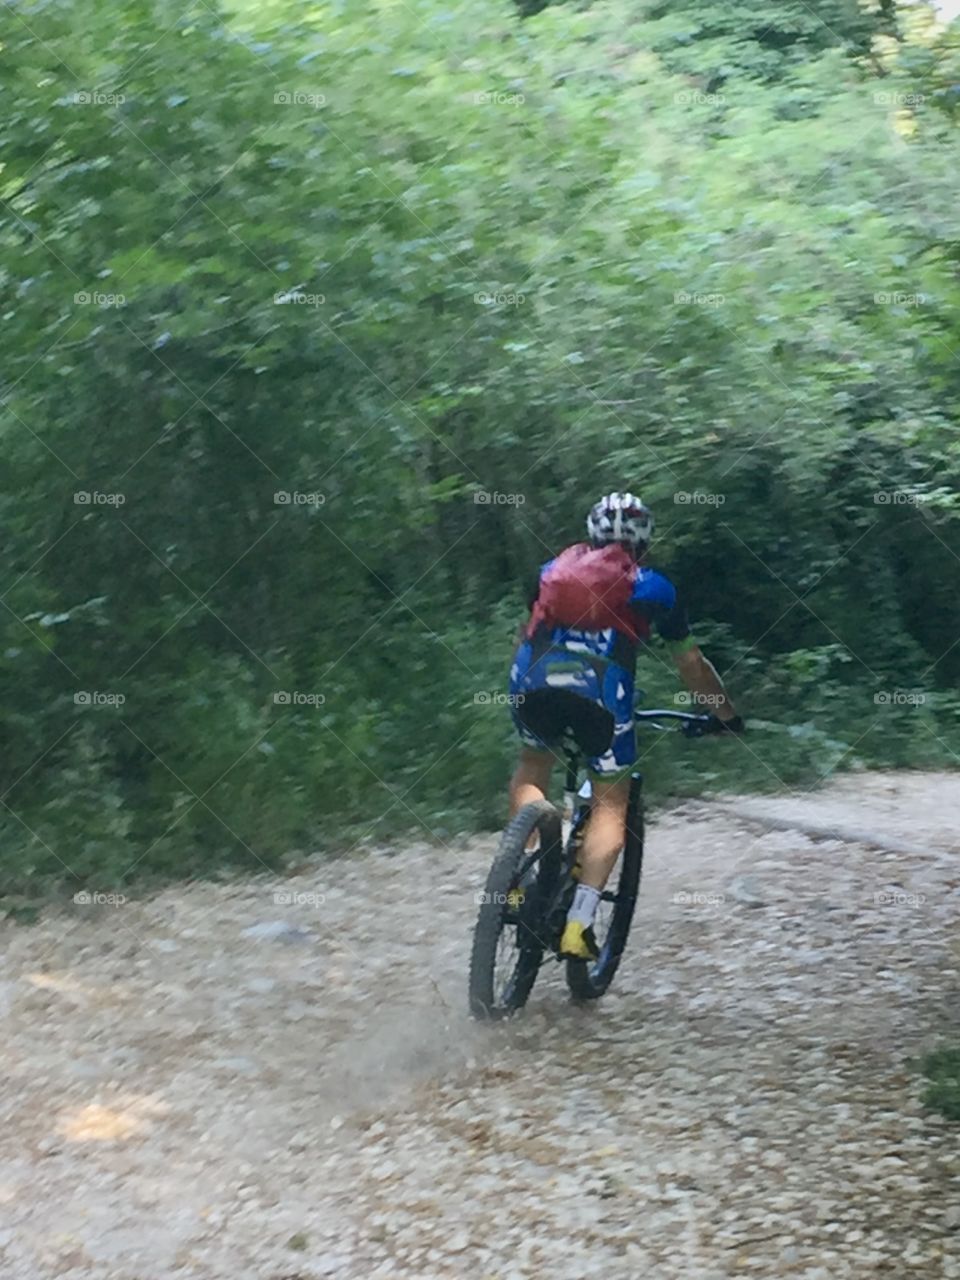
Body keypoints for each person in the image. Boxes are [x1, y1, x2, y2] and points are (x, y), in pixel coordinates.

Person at [508, 491, 743, 960]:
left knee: (533, 767)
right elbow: (692, 663)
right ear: (644, 541)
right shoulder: (654, 588)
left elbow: (527, 631)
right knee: (612, 805)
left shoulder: (550, 573)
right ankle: (579, 925)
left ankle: (518, 879)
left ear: (592, 532)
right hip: (601, 697)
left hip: (531, 682)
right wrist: (725, 715)